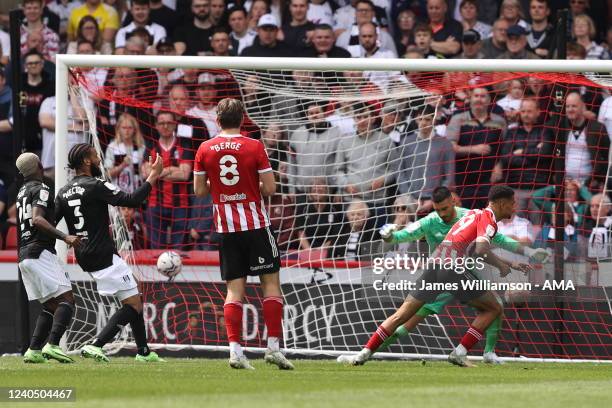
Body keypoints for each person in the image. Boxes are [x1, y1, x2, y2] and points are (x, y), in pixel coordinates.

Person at [338, 185, 532, 367]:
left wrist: (509, 264)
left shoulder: (474, 214)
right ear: (501, 203)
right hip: (452, 268)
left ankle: (362, 354)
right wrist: (502, 266)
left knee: (401, 315)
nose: (515, 206)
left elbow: (473, 249)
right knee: (494, 307)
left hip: (434, 266)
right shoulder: (487, 219)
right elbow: (481, 250)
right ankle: (462, 352)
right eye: (512, 202)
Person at [193, 98, 294, 370]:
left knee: (233, 291)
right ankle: (273, 348)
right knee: (271, 286)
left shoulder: (204, 148)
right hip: (256, 226)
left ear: (217, 120)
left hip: (226, 229)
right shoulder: (254, 145)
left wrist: (223, 187)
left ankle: (235, 351)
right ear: (243, 119)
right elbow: (270, 189)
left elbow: (200, 191)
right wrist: (250, 183)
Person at [55, 143, 165, 362]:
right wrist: (153, 176)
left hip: (84, 254)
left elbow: (49, 223)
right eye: (95, 156)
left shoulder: (63, 192)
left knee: (135, 291)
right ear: (86, 161)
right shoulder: (95, 185)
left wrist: (66, 238)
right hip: (102, 252)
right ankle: (97, 345)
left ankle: (143, 352)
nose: (98, 160)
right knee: (133, 303)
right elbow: (132, 200)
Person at [15, 153, 82, 364]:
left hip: (25, 254)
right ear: (40, 166)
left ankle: (33, 350)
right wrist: (65, 236)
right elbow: (36, 219)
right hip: (40, 251)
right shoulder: (41, 188)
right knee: (67, 300)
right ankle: (52, 345)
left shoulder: (21, 192)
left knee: (50, 305)